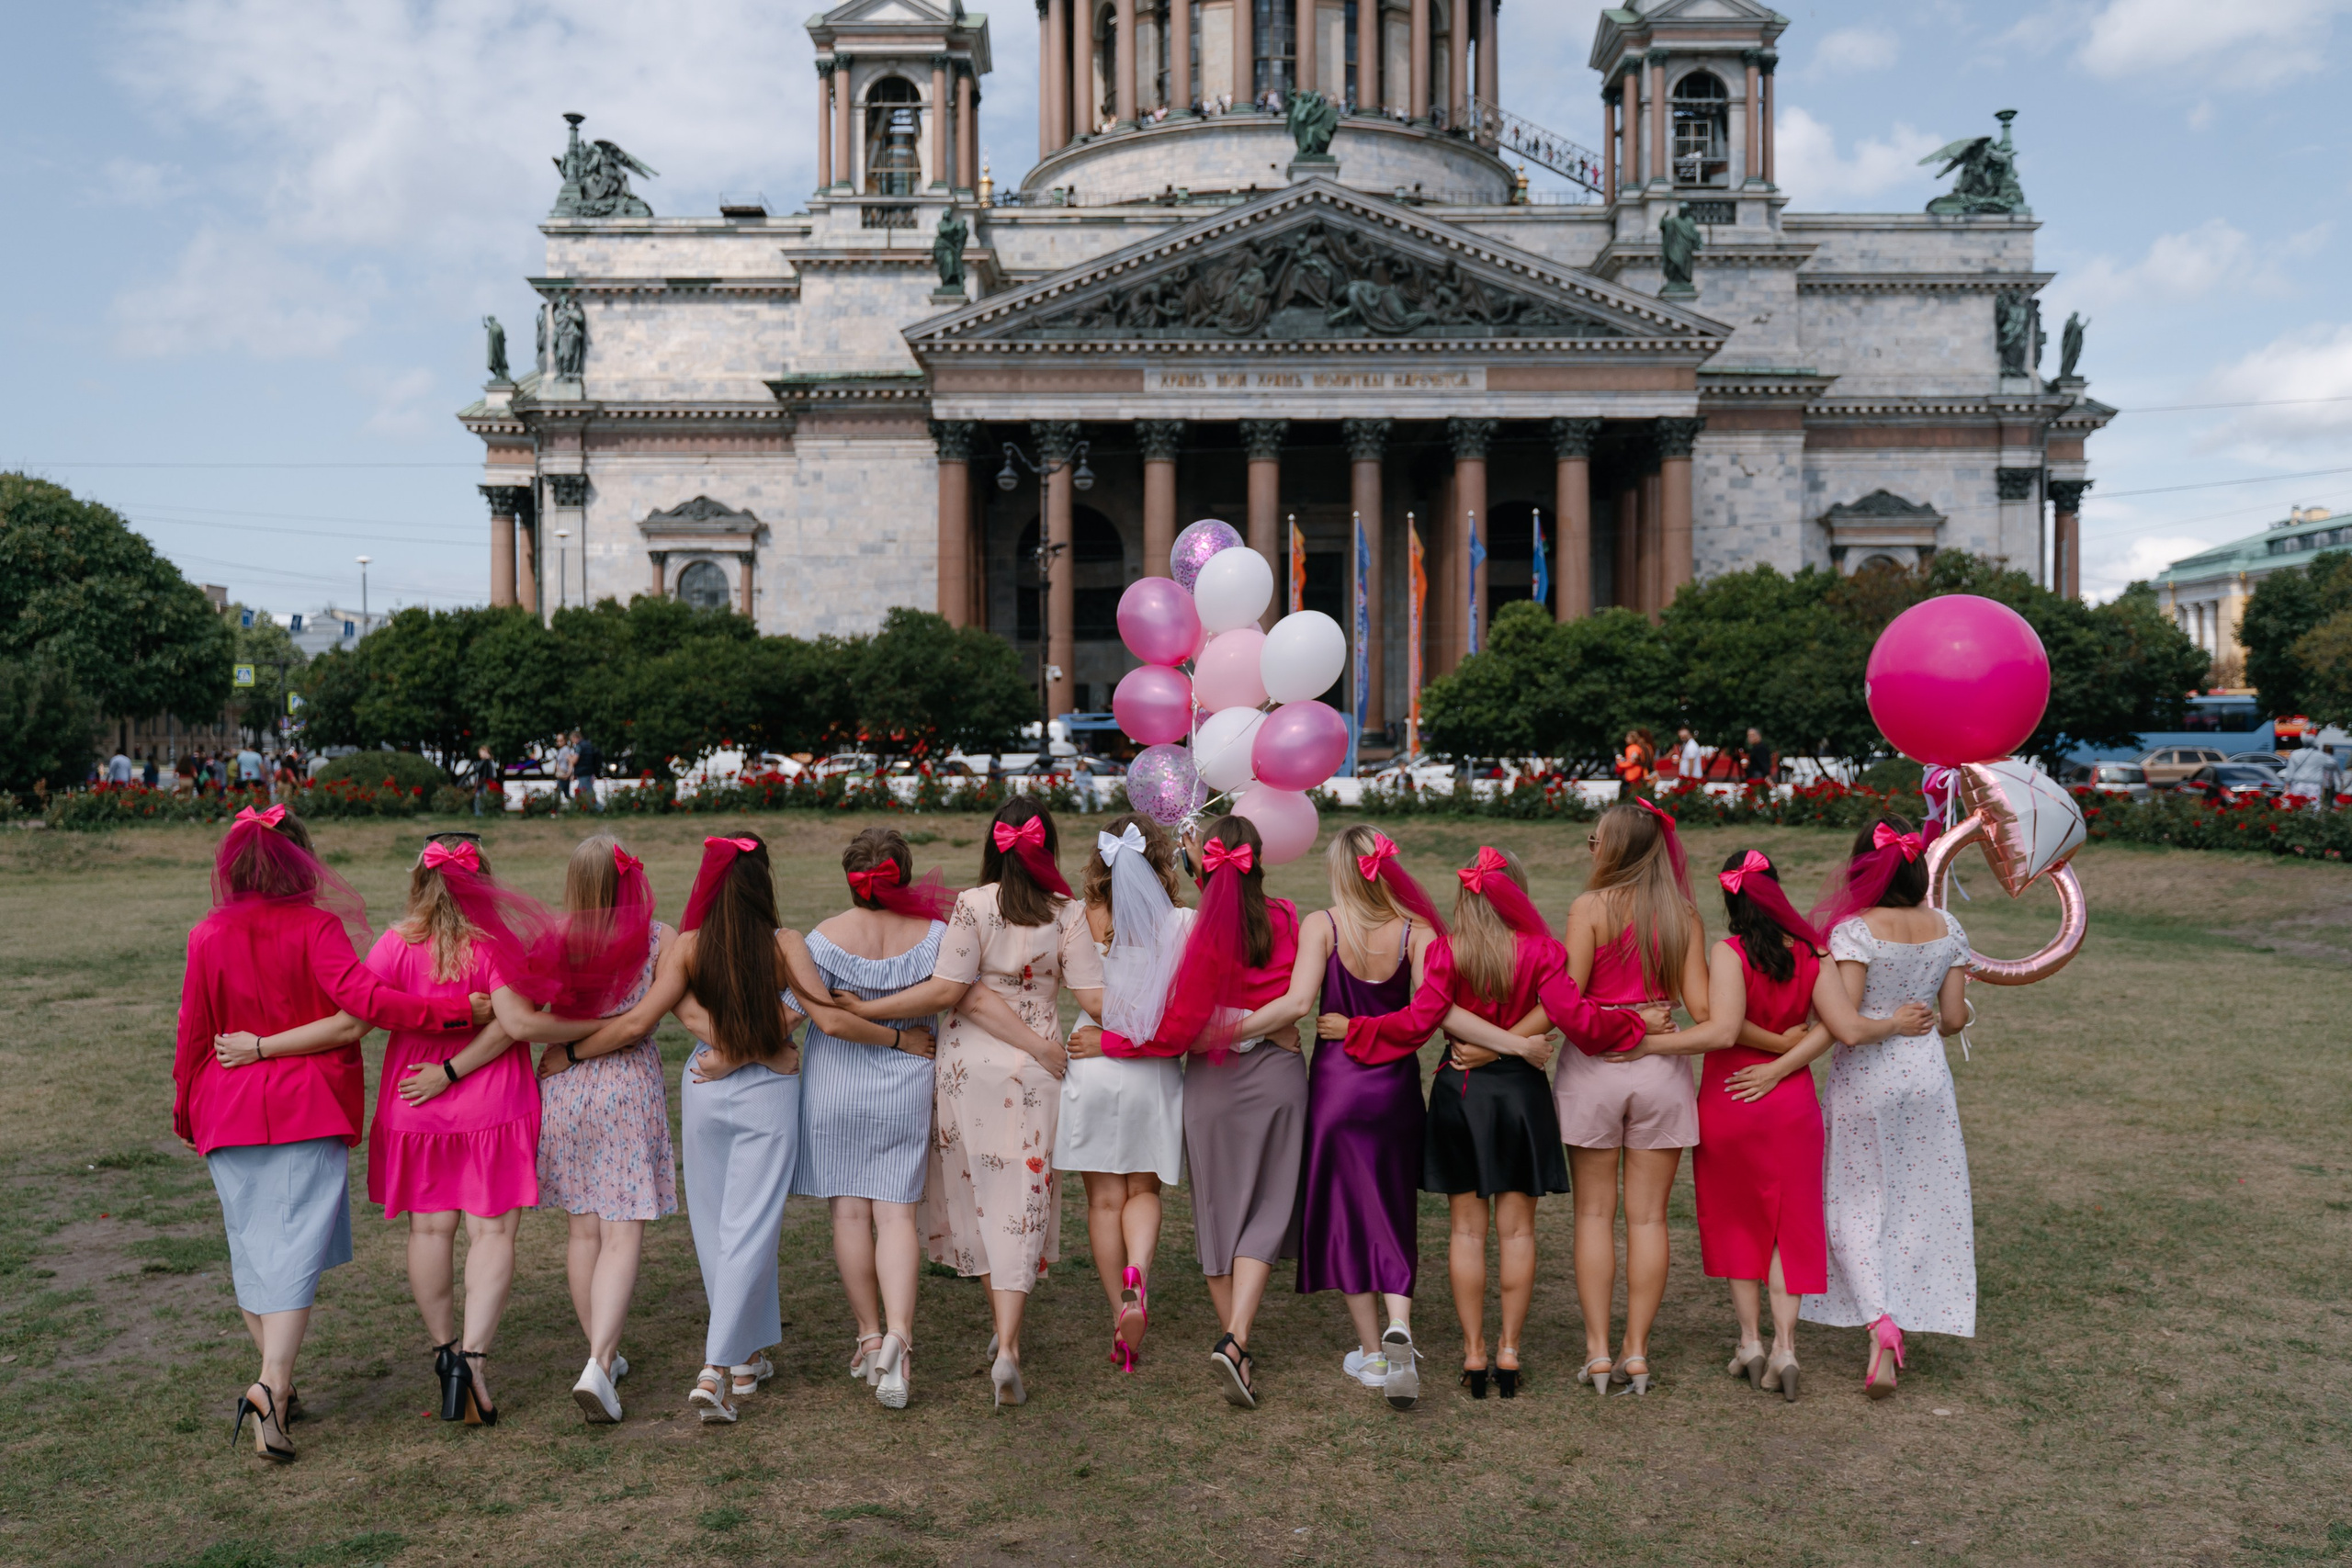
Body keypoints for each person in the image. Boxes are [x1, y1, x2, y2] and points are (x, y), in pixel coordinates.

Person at [177, 806, 491, 1462]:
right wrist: (457, 1008)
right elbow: (370, 1004)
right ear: (302, 861)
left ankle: (279, 1388)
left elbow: (193, 1032)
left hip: (224, 1109)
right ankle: (270, 1385)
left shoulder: (206, 933)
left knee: (256, 1253)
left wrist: (186, 1111)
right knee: (291, 1259)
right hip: (303, 1107)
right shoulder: (316, 926)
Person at [569, 833, 911, 1422]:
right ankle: (717, 1368)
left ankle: (747, 1359)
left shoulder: (689, 947)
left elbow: (663, 1013)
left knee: (716, 1228)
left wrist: (729, 1051)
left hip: (704, 1089)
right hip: (766, 1098)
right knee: (749, 1229)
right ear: (764, 884)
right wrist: (762, 1051)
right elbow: (817, 1008)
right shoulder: (786, 943)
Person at [1340, 843, 1655, 1399]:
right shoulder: (1544, 952)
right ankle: (1509, 1351)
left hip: (1460, 1096)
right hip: (1520, 1101)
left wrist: (1358, 1030)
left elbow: (1416, 1023)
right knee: (1517, 1231)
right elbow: (1578, 1020)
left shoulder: (1445, 954)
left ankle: (1473, 1352)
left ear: (1466, 895)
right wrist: (1634, 1022)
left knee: (1465, 1230)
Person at [1634, 850, 1931, 1401]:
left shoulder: (1729, 954)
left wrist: (1646, 1043)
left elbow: (1722, 1030)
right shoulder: (1812, 954)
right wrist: (1783, 1065)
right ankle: (1786, 1349)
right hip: (1792, 1104)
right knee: (1788, 1228)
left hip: (1731, 1099)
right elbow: (1840, 1028)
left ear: (1731, 897)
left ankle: (1749, 1342)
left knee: (1739, 1223)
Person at [838, 799, 1101, 1409]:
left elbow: (947, 991)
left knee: (984, 1198)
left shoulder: (972, 904)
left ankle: (1003, 1336)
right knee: (1023, 1200)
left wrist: (864, 1008)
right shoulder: (1069, 914)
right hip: (1036, 1071)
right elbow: (1096, 996)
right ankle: (1007, 1344)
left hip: (968, 1070)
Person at [1231, 825, 1444, 1410]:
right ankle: (1400, 1322)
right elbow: (1426, 1018)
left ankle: (1373, 1351)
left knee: (1349, 1215)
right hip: (1395, 1088)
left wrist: (1226, 1030)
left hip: (1335, 1088)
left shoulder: (1322, 925)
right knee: (1394, 1208)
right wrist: (1381, 1028)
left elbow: (1299, 1003)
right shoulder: (1419, 933)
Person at [359, 836, 543, 1428]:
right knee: (492, 1233)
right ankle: (473, 1359)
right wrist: (454, 1071)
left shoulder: (394, 944)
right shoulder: (498, 945)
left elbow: (362, 1010)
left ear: (419, 883)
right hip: (491, 1105)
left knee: (429, 1230)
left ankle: (444, 1352)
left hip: (414, 1104)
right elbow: (514, 1027)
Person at [1801, 817, 1975, 1397]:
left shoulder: (1855, 931)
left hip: (1868, 1082)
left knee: (1853, 1198)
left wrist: (1887, 1022)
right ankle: (1903, 1308)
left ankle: (1880, 1319)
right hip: (1926, 1078)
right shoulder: (1947, 926)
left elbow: (1847, 1023)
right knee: (1918, 1196)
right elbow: (1951, 1019)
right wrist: (1928, 1018)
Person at [514, 835, 676, 1424]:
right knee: (621, 1231)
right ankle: (601, 1364)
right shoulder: (661, 939)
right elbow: (642, 1021)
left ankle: (598, 1355)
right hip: (625, 1088)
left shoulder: (551, 939)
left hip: (562, 1089)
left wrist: (572, 1048)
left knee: (583, 1232)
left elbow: (528, 1019)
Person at [793, 827, 954, 1410]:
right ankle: (900, 1343)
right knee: (896, 1218)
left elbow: (791, 1014)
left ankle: (868, 1335)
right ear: (903, 877)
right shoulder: (937, 938)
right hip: (907, 1085)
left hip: (835, 1089)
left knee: (849, 1215)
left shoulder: (823, 940)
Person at [1555, 800, 1711, 1396]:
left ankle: (1598, 1352)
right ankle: (1637, 1352)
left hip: (1596, 1066)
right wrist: (1651, 1029)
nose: (1590, 847)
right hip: (1662, 1071)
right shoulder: (1684, 916)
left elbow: (1569, 1003)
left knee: (1595, 1213)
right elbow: (1704, 1010)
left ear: (1613, 848)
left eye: (1595, 839)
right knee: (1648, 1217)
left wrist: (1621, 1024)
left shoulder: (1589, 908)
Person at [1054, 815, 1191, 1372]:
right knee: (1144, 1191)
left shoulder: (1081, 917)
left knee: (1103, 1200)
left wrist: (1107, 1039)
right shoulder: (1182, 923)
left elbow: (1092, 1003)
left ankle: (1121, 1310)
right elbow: (1181, 1008)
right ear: (1160, 863)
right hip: (1153, 1072)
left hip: (1094, 1064)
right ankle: (1139, 1275)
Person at [2281, 736, 2342, 812]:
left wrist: (2287, 784)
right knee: (2314, 808)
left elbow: (2290, 772)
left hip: (2297, 784)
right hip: (2314, 785)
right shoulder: (2320, 755)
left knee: (2297, 806)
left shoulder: (2295, 754)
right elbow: (2332, 764)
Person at [1613, 729, 1652, 798]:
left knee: (1628, 795)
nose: (1626, 739)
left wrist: (1620, 764)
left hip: (1633, 775)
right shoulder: (1638, 748)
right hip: (1637, 774)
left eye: (1628, 737)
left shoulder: (1631, 748)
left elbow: (1631, 762)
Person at [572, 731, 603, 812]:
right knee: (579, 792)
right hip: (589, 771)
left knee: (588, 791)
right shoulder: (589, 745)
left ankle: (600, 809)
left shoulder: (579, 746)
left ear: (575, 738)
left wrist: (569, 758)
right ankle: (574, 808)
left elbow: (575, 760)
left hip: (582, 772)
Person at [470, 746, 499, 818]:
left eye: (481, 752)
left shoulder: (489, 762)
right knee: (479, 799)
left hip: (485, 783)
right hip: (482, 783)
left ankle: (481, 814)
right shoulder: (482, 762)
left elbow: (493, 774)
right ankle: (479, 814)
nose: (480, 754)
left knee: (481, 798)